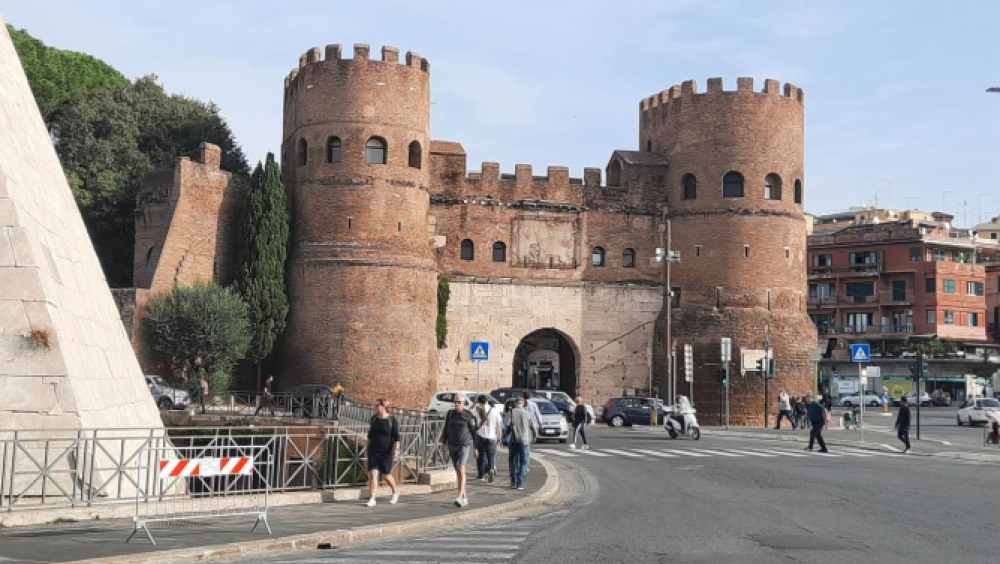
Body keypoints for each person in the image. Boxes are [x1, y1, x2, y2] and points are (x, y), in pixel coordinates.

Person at [440, 393, 477, 507]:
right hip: (452, 445)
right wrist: (443, 442)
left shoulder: (468, 415)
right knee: (458, 471)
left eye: (459, 402)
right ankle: (464, 496)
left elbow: (474, 432)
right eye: (455, 402)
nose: (456, 404)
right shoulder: (450, 414)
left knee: (462, 468)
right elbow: (446, 428)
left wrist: (475, 448)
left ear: (463, 403)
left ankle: (460, 496)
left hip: (464, 445)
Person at [365, 399, 400, 507]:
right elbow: (370, 435)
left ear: (382, 406)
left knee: (386, 475)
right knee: (373, 474)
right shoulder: (374, 419)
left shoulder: (392, 420)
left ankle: (395, 491)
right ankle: (372, 498)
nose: (375, 408)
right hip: (373, 450)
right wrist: (367, 449)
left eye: (376, 406)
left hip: (386, 451)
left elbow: (397, 437)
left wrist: (396, 450)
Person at [507, 397, 538, 490]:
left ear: (515, 403)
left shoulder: (511, 413)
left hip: (513, 439)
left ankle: (513, 480)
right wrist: (535, 435)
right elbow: (533, 426)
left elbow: (506, 424)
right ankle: (519, 482)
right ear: (522, 404)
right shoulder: (527, 413)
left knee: (512, 460)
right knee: (523, 461)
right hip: (524, 440)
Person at [474, 396, 503, 483]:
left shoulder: (477, 410)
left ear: (479, 402)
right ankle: (491, 469)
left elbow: (474, 421)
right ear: (487, 402)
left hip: (480, 435)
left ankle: (481, 475)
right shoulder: (495, 411)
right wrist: (499, 437)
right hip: (491, 436)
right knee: (491, 455)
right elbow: (498, 425)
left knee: (481, 456)